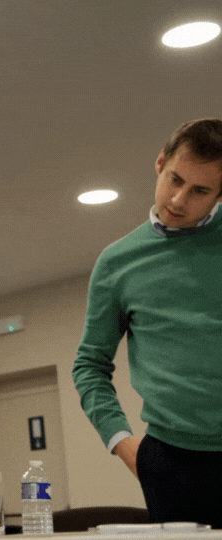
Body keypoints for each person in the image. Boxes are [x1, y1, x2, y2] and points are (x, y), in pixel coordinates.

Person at [72, 118, 222, 527]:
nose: (178, 198)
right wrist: (122, 442)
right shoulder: (117, 263)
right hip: (171, 460)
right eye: (175, 178)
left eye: (200, 191)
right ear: (159, 162)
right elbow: (90, 365)